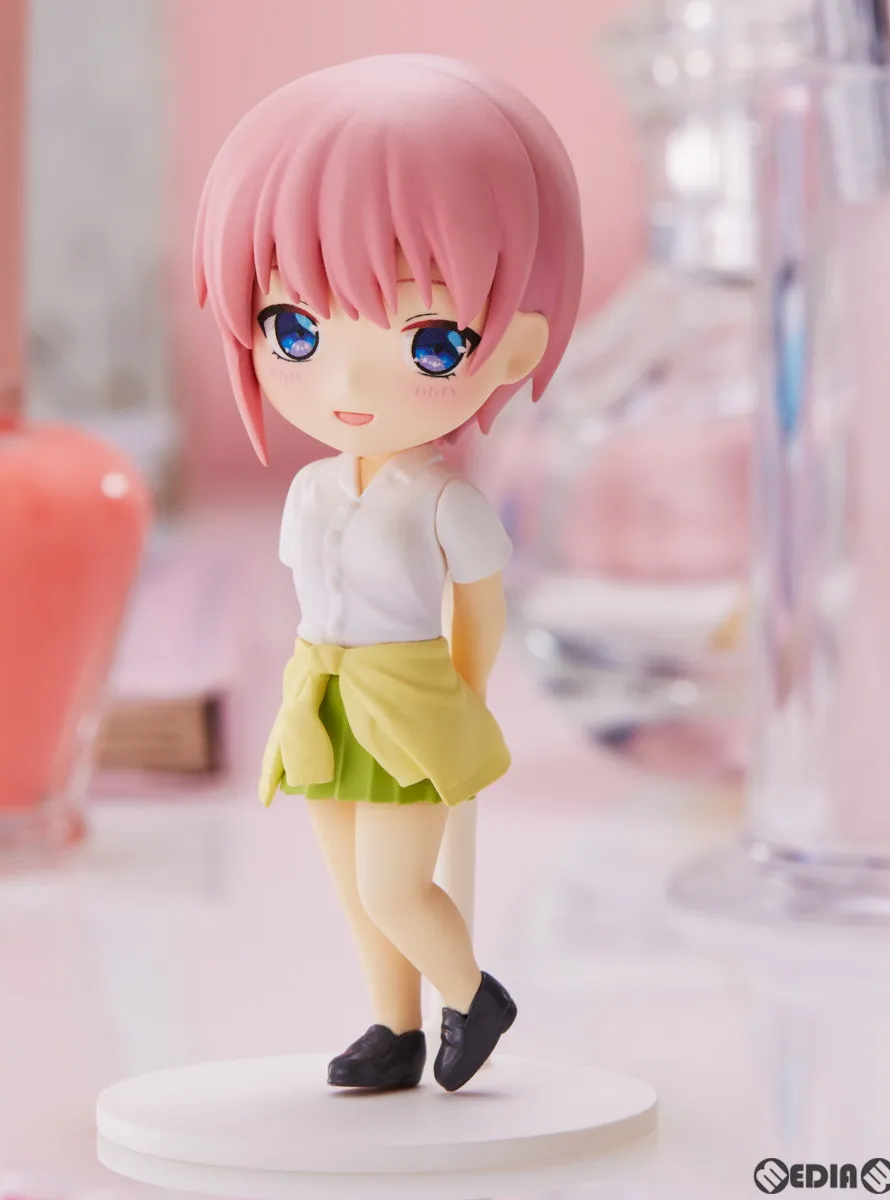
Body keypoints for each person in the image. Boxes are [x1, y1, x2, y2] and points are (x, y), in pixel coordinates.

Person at [195, 53, 584, 1092]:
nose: (348, 380)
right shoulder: (313, 490)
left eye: (431, 341)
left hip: (411, 696)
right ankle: (393, 1025)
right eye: (294, 330)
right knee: (352, 884)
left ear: (511, 347)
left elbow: (479, 612)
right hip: (320, 692)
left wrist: (460, 700)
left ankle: (473, 994)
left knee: (396, 882)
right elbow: (309, 596)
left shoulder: (447, 500)